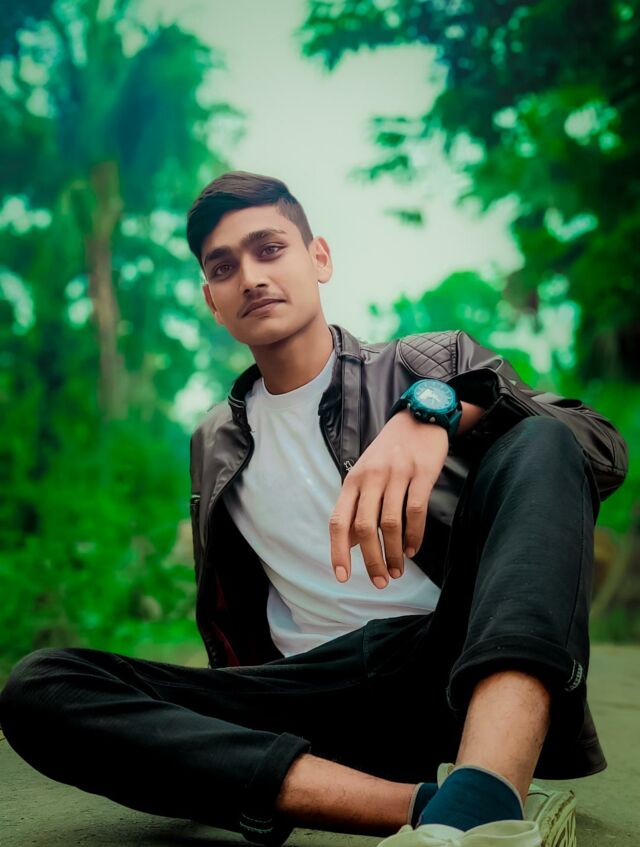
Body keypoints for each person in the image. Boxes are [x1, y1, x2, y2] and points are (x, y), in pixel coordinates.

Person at [0, 171, 628, 847]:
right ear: (213, 301)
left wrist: (435, 411)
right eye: (223, 266)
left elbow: (597, 448)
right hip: (302, 703)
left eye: (270, 248)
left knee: (541, 438)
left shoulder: (427, 364)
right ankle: (434, 809)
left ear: (318, 257)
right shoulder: (214, 440)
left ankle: (487, 787)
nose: (251, 277)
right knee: (44, 686)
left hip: (453, 666)